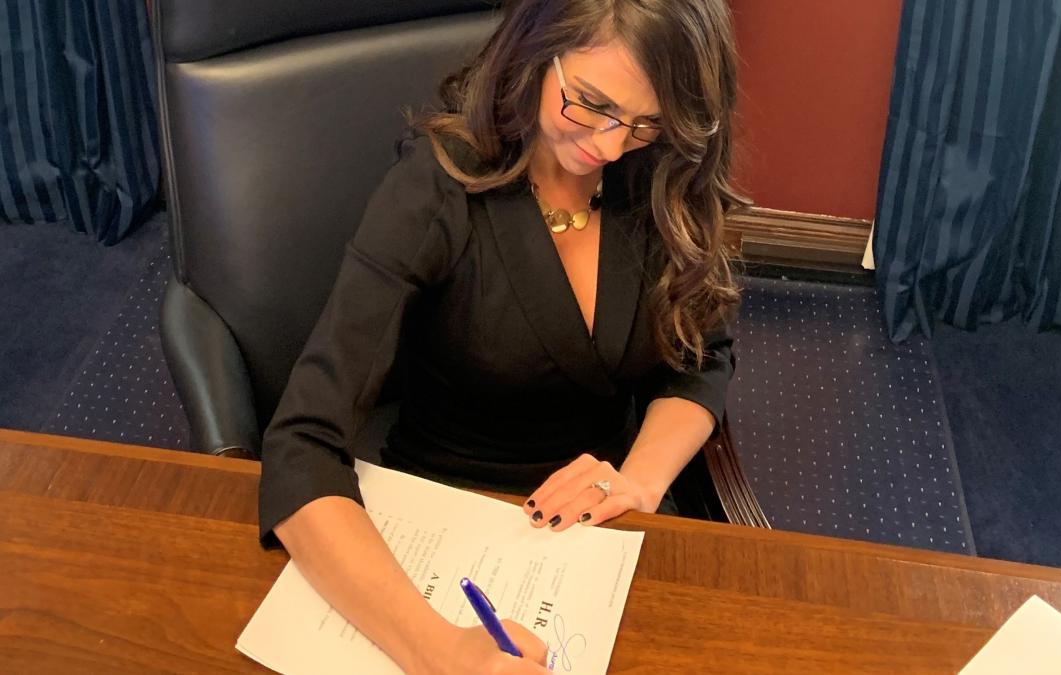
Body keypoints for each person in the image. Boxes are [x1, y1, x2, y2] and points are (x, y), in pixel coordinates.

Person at [257, 0, 745, 672]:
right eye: (588, 104)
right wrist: (438, 650)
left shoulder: (660, 173)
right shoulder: (436, 191)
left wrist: (638, 479)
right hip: (440, 516)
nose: (608, 145)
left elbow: (701, 358)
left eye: (644, 123)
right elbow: (299, 444)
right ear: (536, 52)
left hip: (598, 535)